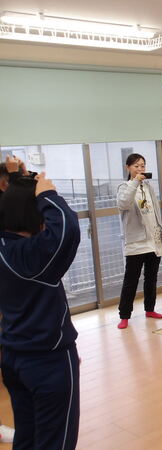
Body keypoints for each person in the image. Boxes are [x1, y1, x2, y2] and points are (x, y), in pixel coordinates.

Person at [0, 174, 80, 449]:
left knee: (27, 435)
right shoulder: (32, 255)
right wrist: (48, 195)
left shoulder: (6, 248)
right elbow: (68, 228)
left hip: (13, 357)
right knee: (55, 440)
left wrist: (18, 187)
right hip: (48, 361)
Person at [116, 153, 162, 329]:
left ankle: (150, 309)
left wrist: (160, 233)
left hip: (153, 240)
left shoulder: (148, 187)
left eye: (143, 166)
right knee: (131, 280)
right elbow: (123, 203)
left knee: (151, 278)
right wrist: (135, 182)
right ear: (128, 168)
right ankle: (124, 315)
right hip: (136, 243)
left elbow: (154, 211)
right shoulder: (124, 187)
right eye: (136, 166)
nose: (140, 169)